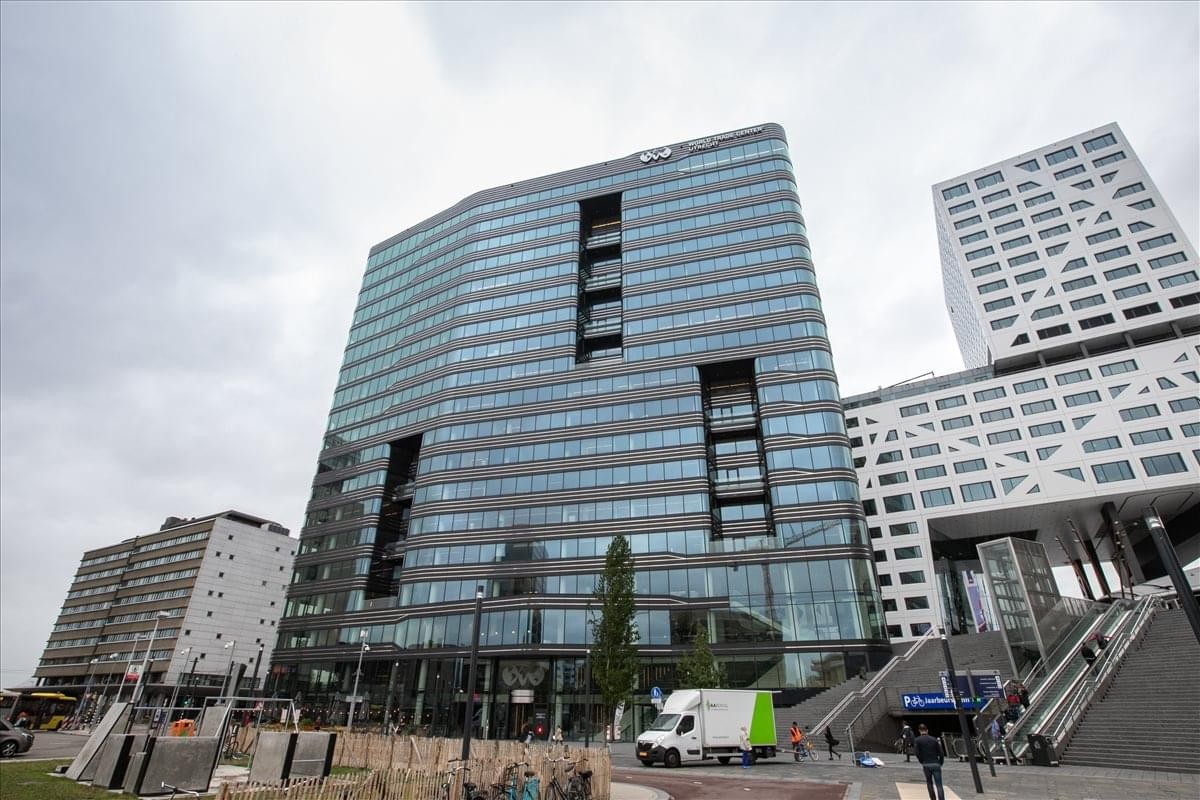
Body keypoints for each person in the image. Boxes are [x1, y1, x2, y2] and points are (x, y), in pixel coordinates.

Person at [914, 724, 946, 800]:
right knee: (939, 785)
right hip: (936, 763)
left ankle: (933, 799)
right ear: (927, 730)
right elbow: (941, 753)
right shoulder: (934, 739)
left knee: (929, 783)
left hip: (926, 764)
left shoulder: (917, 740)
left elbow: (917, 753)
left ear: (919, 731)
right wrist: (940, 762)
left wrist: (921, 761)